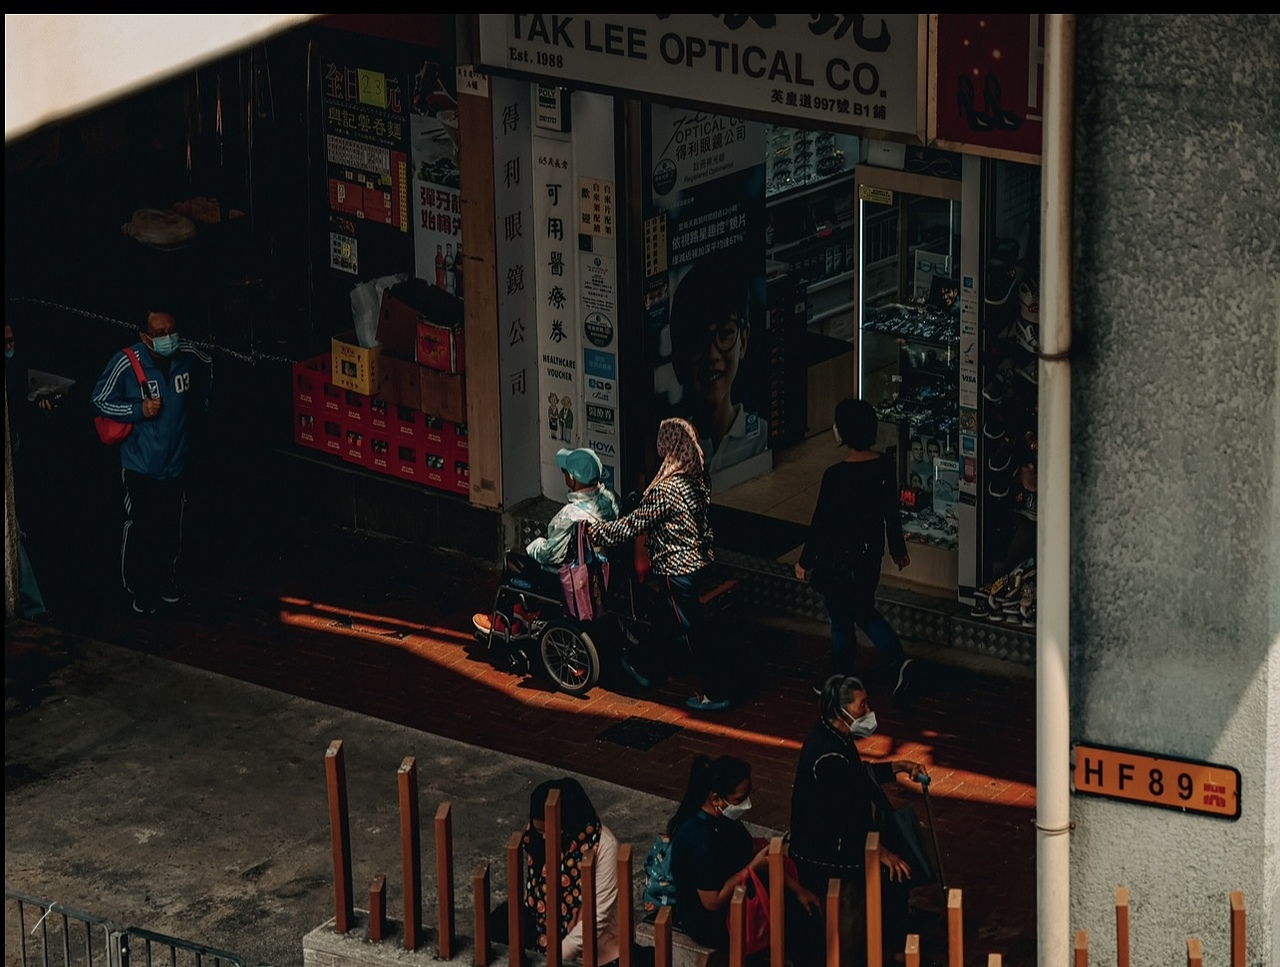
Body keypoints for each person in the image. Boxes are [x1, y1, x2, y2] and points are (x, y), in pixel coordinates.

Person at [588, 417, 730, 712]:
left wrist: (597, 533)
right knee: (667, 619)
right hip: (700, 561)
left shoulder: (667, 489)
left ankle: (715, 691)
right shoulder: (699, 475)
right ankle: (646, 666)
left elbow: (633, 524)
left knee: (692, 628)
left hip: (677, 570)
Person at [788, 675, 930, 966]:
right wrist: (880, 852)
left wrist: (897, 767)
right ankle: (887, 949)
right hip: (827, 851)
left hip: (839, 839)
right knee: (894, 874)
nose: (868, 711)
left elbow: (856, 776)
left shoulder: (835, 736)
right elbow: (844, 815)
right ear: (840, 710)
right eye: (862, 705)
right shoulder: (827, 754)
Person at [90, 308, 212, 615]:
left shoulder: (188, 354)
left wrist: (203, 404)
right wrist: (138, 411)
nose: (168, 337)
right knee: (143, 528)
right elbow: (99, 401)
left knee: (172, 527)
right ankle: (140, 590)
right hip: (140, 465)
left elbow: (209, 368)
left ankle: (168, 581)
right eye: (160, 333)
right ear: (145, 337)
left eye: (172, 330)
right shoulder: (126, 362)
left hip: (176, 463)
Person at [794, 399, 913, 695]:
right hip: (869, 557)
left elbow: (820, 524)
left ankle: (842, 680)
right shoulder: (884, 466)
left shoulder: (835, 476)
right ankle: (898, 660)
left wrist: (804, 561)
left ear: (843, 432)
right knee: (863, 609)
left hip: (837, 562)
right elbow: (891, 514)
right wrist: (898, 549)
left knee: (840, 620)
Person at [667, 754, 820, 960]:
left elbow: (755, 857)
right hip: (711, 921)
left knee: (805, 912)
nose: (746, 805)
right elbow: (712, 902)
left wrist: (799, 890)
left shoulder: (726, 822)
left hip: (740, 894)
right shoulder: (700, 839)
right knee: (794, 928)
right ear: (716, 799)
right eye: (739, 800)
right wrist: (752, 868)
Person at [472, 447, 620, 636]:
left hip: (575, 579)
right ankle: (522, 611)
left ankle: (505, 620)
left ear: (571, 478)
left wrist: (534, 546)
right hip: (604, 570)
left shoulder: (571, 515)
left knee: (514, 561)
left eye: (565, 472)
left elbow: (551, 555)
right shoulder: (612, 498)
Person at [491, 777, 622, 965]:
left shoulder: (604, 847)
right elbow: (535, 894)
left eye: (554, 832)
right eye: (540, 831)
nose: (545, 838)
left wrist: (551, 960)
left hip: (595, 952)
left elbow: (596, 919)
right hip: (545, 936)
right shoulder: (534, 838)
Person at [666, 258, 767, 477]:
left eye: (725, 333)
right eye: (698, 339)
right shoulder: (669, 449)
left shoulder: (762, 438)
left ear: (744, 340)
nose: (712, 355)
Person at [5, 322, 50, 619]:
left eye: (12, 341)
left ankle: (34, 607)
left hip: (14, 446)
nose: (10, 348)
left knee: (15, 531)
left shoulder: (16, 367)